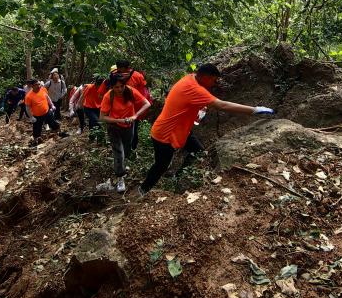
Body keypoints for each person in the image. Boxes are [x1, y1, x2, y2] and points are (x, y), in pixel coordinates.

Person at [139, 63, 274, 195]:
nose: (214, 84)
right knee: (160, 166)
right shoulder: (194, 88)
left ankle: (179, 177)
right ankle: (143, 190)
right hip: (165, 134)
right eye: (214, 80)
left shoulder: (190, 78)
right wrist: (254, 110)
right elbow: (222, 105)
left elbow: (185, 101)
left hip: (180, 130)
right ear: (206, 77)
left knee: (198, 152)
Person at [98, 74, 151, 193]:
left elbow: (147, 103)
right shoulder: (108, 96)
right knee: (119, 152)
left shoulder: (130, 91)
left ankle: (121, 165)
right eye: (116, 87)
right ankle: (120, 177)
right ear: (112, 87)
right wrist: (118, 120)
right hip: (114, 127)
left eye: (122, 86)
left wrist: (135, 116)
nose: (120, 89)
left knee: (127, 149)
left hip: (129, 126)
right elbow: (102, 117)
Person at [113, 58, 151, 149]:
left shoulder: (137, 76)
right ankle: (121, 146)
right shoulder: (115, 74)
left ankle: (132, 148)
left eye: (120, 68)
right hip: (119, 106)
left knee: (133, 128)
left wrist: (141, 105)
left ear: (126, 68)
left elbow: (143, 91)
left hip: (134, 107)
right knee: (119, 127)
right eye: (118, 67)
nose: (119, 70)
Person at [24, 78, 67, 146]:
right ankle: (35, 141)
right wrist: (31, 117)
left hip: (47, 112)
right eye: (36, 85)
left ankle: (60, 133)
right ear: (32, 86)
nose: (38, 86)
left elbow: (47, 97)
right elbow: (27, 107)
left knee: (53, 123)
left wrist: (52, 105)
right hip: (37, 115)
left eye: (39, 84)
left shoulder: (43, 89)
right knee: (36, 128)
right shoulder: (29, 96)